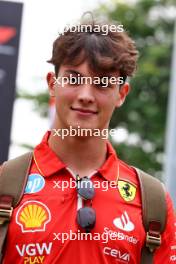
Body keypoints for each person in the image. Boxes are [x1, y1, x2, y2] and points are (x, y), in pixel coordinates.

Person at [1, 14, 176, 264]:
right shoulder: (4, 185)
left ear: (122, 94)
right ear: (53, 84)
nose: (85, 95)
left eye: (102, 84)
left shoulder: (153, 202)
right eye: (74, 78)